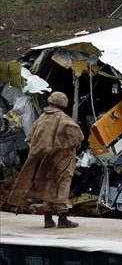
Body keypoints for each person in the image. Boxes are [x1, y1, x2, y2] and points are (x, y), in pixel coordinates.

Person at [7, 91, 83, 229]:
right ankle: (62, 217)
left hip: (45, 159)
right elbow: (76, 137)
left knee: (47, 185)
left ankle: (48, 219)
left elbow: (31, 137)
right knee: (62, 184)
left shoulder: (41, 118)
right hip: (62, 158)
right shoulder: (63, 119)